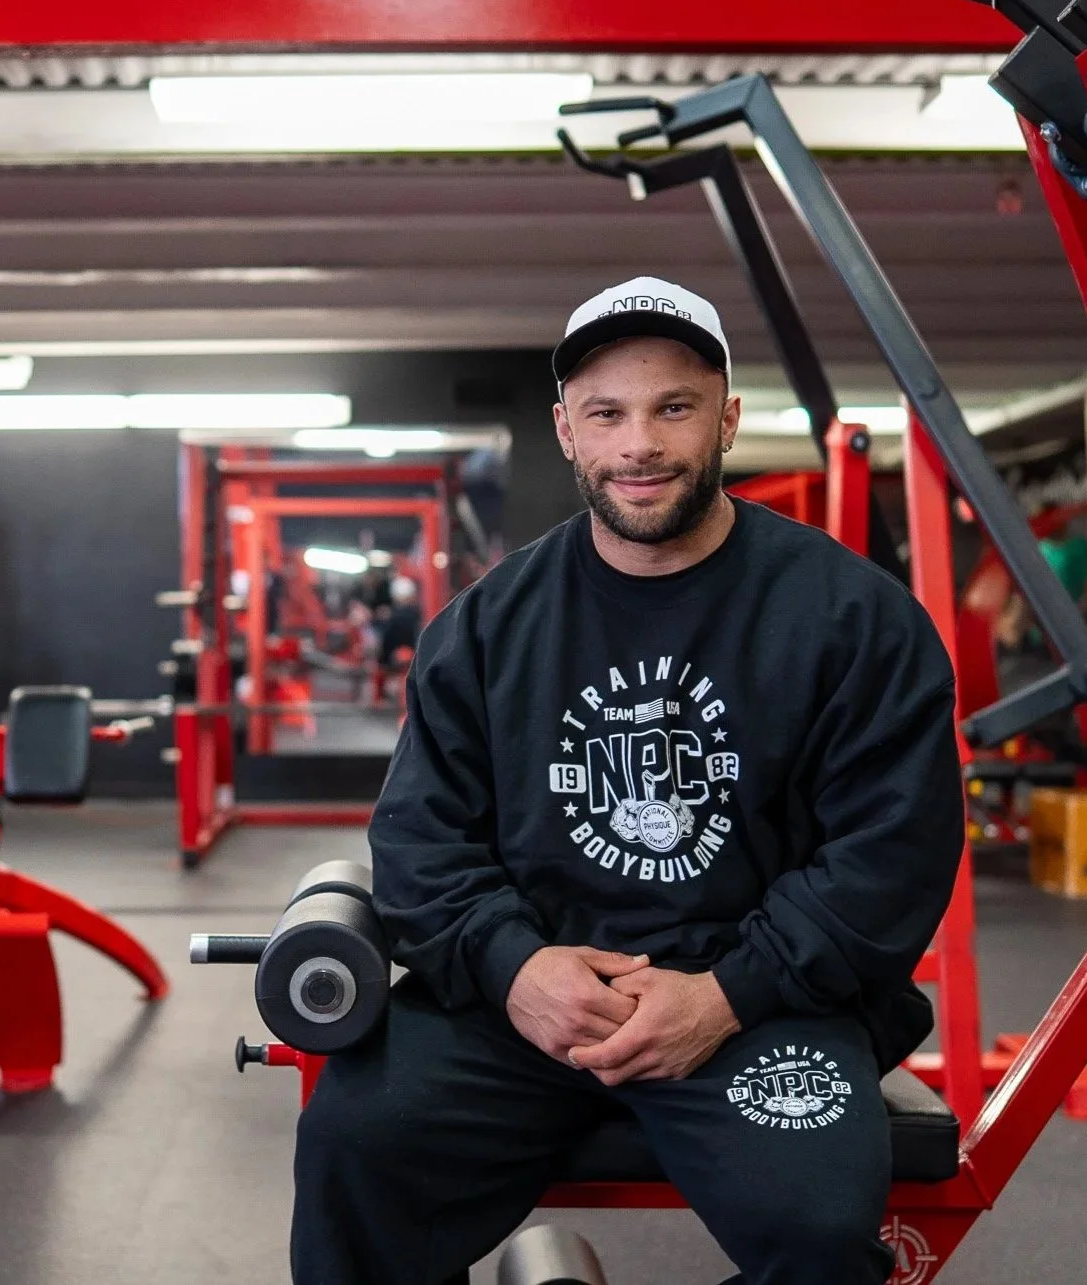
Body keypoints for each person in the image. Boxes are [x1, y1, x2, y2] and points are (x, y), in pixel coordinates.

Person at [292, 277, 966, 1285]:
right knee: (355, 1155)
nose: (638, 444)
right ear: (568, 432)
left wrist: (726, 996)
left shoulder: (852, 621)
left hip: (751, 1005)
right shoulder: (485, 628)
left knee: (820, 1232)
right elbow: (422, 842)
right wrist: (516, 968)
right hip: (523, 1005)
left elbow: (891, 854)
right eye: (607, 414)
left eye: (673, 409)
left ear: (726, 419)